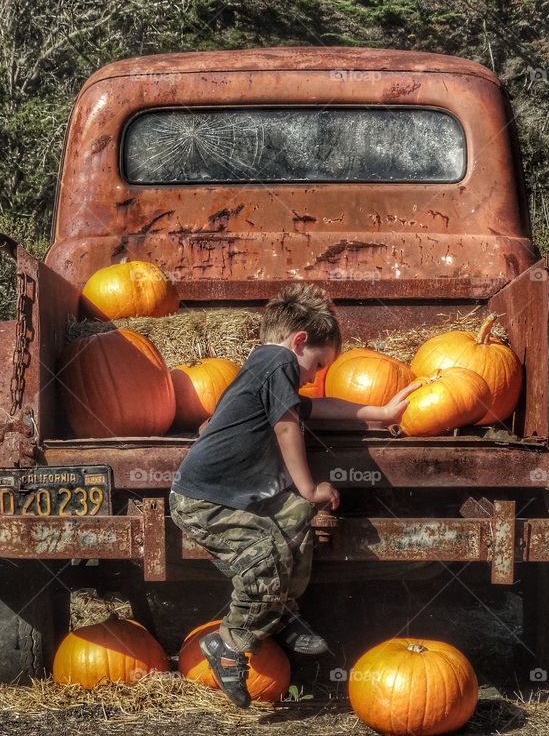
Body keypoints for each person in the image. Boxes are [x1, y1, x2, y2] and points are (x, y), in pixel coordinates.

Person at [169, 282, 414, 708]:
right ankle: (229, 643)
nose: (315, 377)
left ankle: (281, 613)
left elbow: (312, 408)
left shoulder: (264, 369)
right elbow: (288, 425)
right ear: (299, 342)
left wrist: (382, 414)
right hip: (205, 499)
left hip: (237, 496)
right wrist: (309, 485)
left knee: (298, 518)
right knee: (267, 555)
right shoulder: (277, 361)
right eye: (317, 365)